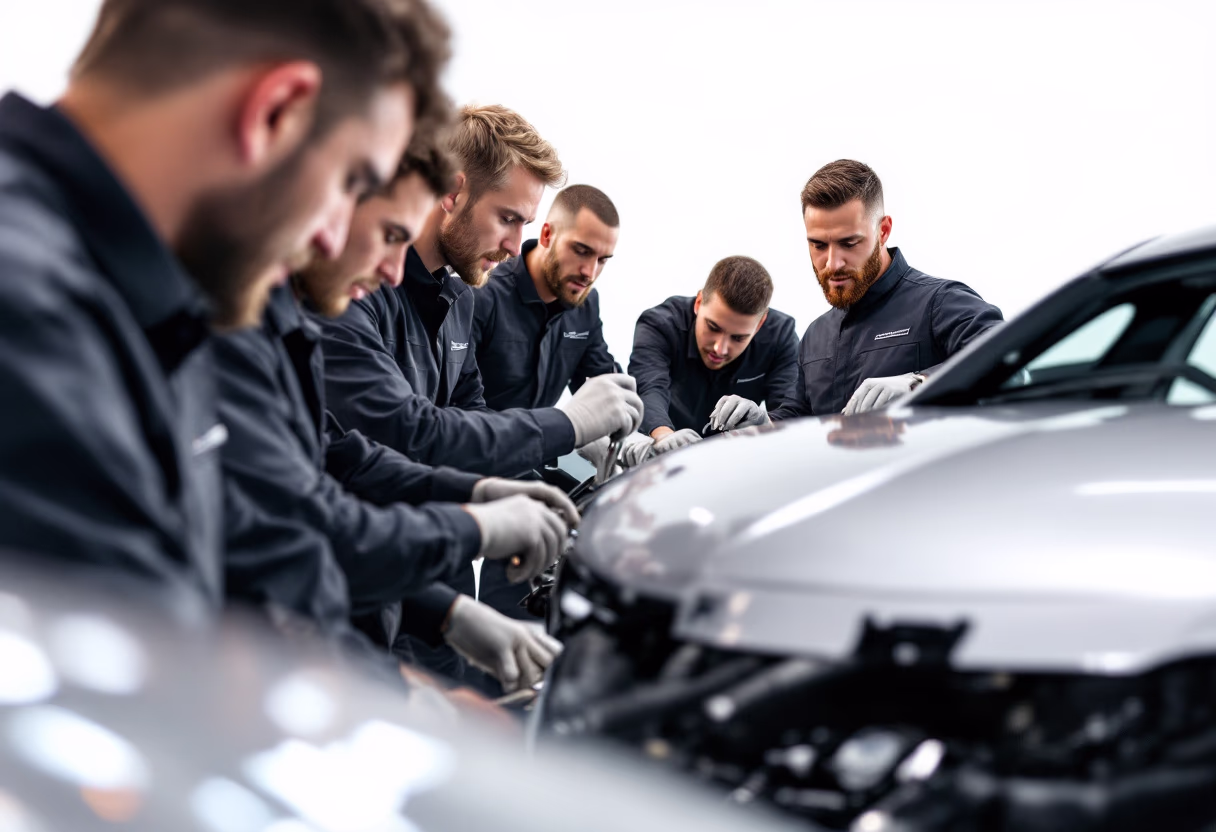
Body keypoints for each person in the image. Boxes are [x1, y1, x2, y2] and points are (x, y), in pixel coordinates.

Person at [0, 0, 431, 607]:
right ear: (274, 111)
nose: (330, 238)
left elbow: (229, 539)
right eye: (349, 183)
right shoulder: (29, 319)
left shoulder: (157, 308)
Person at [217, 138, 568, 693]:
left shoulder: (453, 300)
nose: (393, 267)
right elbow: (313, 512)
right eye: (389, 235)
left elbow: (337, 458)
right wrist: (567, 428)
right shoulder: (315, 309)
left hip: (404, 578)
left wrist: (479, 499)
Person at [320, 105, 643, 479]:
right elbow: (410, 431)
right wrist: (566, 425)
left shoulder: (460, 300)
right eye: (508, 219)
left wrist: (541, 488)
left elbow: (472, 414)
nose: (515, 245)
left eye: (525, 224)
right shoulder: (358, 289)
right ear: (452, 193)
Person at [710, 159, 1004, 427]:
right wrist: (762, 421)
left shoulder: (939, 301)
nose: (832, 263)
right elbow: (797, 417)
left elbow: (1003, 353)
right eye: (818, 245)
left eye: (849, 243)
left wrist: (917, 382)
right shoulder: (815, 336)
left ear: (883, 231)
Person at [471, 184, 621, 412]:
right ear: (547, 235)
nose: (589, 273)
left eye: (602, 260)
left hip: (542, 444)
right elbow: (458, 405)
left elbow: (602, 382)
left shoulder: (586, 303)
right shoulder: (482, 296)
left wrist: (640, 430)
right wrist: (560, 429)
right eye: (582, 251)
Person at [631, 256, 799, 451]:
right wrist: (664, 438)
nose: (720, 348)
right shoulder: (659, 325)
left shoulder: (781, 337)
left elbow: (790, 414)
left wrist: (767, 424)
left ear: (760, 324)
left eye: (738, 338)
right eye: (713, 327)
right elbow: (649, 389)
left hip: (736, 462)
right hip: (664, 463)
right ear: (699, 302)